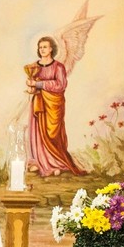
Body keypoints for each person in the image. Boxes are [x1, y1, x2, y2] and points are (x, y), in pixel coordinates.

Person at [25, 35, 85, 176]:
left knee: (53, 134)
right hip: (39, 103)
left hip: (54, 105)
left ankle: (55, 162)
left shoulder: (58, 67)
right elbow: (33, 84)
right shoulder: (34, 66)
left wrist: (38, 84)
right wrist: (31, 88)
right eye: (40, 47)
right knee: (37, 132)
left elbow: (60, 85)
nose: (42, 49)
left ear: (51, 49)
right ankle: (39, 162)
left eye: (45, 47)